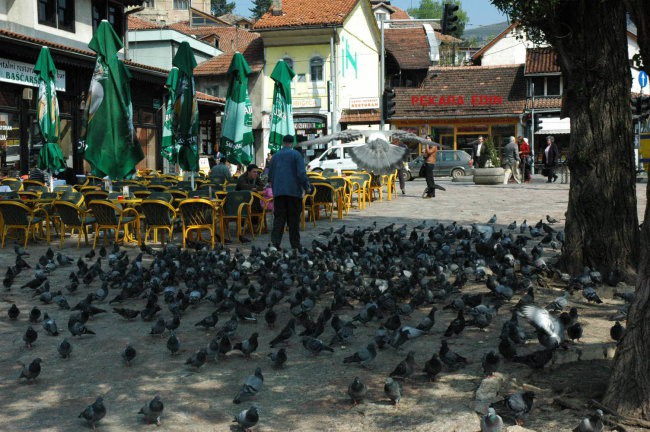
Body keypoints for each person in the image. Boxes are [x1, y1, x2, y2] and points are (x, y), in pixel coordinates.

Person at [269, 134, 313, 249]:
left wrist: (275, 188)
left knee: (279, 219)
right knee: (293, 220)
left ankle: (275, 243)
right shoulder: (296, 155)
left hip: (279, 193)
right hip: (293, 192)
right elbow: (301, 174)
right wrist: (306, 186)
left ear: (283, 143)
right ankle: (295, 244)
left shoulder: (275, 156)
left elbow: (270, 175)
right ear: (292, 143)